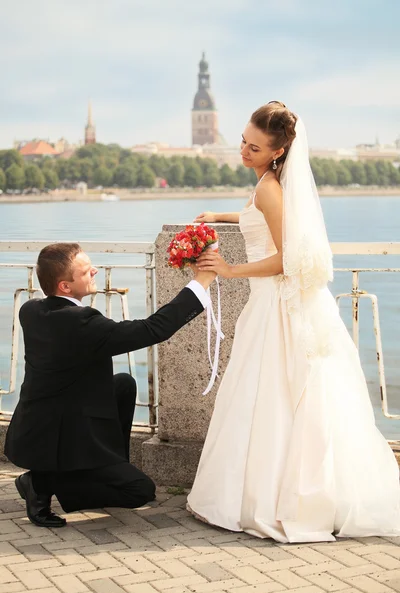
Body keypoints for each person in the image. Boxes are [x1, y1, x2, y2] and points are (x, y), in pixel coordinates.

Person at [186, 101, 400, 543]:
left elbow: (287, 260)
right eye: (243, 141)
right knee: (280, 399)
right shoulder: (269, 182)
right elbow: (264, 217)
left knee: (274, 399)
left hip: (275, 306)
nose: (243, 151)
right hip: (273, 304)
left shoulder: (269, 187)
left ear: (278, 152)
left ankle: (273, 498)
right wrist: (220, 216)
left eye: (254, 147)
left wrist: (229, 271)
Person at [4, 242, 215, 527]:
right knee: (140, 491)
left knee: (123, 385)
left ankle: (104, 464)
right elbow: (153, 329)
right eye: (85, 271)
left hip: (42, 423)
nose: (95, 271)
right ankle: (42, 484)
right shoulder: (81, 323)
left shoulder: (31, 310)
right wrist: (201, 282)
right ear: (65, 286)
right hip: (61, 436)